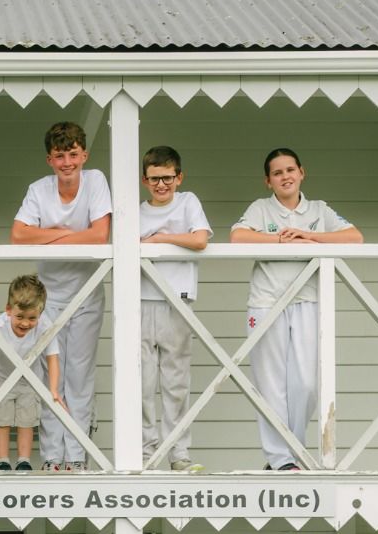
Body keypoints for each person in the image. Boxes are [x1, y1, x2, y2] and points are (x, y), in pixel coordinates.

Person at [230, 148, 362, 473]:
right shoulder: (261, 209)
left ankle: (293, 450)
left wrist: (308, 236)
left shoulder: (318, 209)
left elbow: (355, 238)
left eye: (290, 169)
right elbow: (238, 237)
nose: (285, 176)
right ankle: (282, 460)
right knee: (271, 384)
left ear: (302, 172)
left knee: (306, 383)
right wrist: (281, 242)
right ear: (268, 181)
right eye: (277, 173)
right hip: (266, 302)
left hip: (308, 299)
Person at [10, 121, 112, 473]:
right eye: (59, 156)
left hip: (86, 293)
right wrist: (70, 236)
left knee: (79, 376)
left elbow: (100, 236)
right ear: (49, 160)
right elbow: (19, 235)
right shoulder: (39, 190)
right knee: (49, 377)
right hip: (49, 298)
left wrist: (50, 235)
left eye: (73, 154)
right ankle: (53, 458)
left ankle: (77, 456)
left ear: (83, 154)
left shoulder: (95, 181)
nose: (67, 162)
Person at [139, 146, 211, 473]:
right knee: (142, 383)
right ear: (145, 179)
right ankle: (143, 453)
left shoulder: (188, 202)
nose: (161, 185)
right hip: (140, 299)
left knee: (176, 382)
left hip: (178, 299)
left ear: (178, 177)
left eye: (167, 177)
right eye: (154, 179)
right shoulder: (137, 211)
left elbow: (199, 240)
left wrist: (159, 240)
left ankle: (177, 453)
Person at [0, 273, 64, 472]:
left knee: (27, 420)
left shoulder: (45, 325)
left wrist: (53, 389)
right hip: (2, 378)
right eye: (20, 317)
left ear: (40, 314)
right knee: (2, 420)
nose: (25, 323)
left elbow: (53, 358)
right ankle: (3, 460)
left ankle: (23, 460)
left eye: (32, 318)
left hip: (30, 380)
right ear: (8, 310)